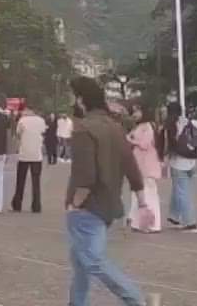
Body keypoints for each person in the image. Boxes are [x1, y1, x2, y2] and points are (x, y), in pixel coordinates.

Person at [64, 76, 149, 306]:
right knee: (81, 261)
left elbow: (85, 176)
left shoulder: (83, 129)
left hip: (88, 205)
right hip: (109, 203)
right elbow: (131, 166)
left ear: (81, 99)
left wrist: (74, 204)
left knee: (92, 260)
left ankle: (135, 298)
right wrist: (142, 201)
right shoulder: (115, 127)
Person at [162, 102, 197, 232]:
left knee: (183, 193)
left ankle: (190, 223)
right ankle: (174, 216)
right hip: (192, 161)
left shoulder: (170, 125)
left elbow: (166, 145)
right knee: (181, 190)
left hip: (178, 162)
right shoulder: (191, 122)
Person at [125, 104, 163, 233]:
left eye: (137, 111)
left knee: (149, 195)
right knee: (140, 195)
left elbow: (145, 144)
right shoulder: (139, 127)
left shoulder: (147, 127)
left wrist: (131, 141)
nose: (134, 114)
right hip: (140, 166)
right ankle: (138, 223)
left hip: (148, 166)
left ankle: (153, 224)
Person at [12, 105, 47, 213]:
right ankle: (36, 205)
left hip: (24, 154)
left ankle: (17, 204)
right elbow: (43, 132)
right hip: (37, 155)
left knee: (20, 180)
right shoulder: (41, 120)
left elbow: (18, 134)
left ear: (27, 110)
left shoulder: (22, 120)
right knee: (36, 181)